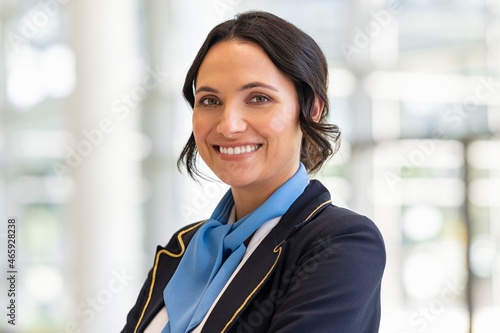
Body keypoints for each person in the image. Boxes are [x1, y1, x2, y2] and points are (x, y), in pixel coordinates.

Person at [122, 10, 385, 333]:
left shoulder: (341, 243)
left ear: (311, 110)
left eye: (258, 98)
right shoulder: (183, 248)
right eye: (210, 101)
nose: (229, 125)